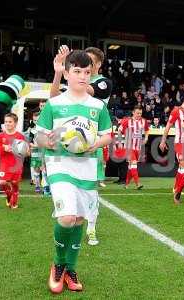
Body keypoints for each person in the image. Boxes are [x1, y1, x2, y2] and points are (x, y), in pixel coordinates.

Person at [36, 50, 112, 293]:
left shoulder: (98, 106)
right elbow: (39, 134)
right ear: (67, 73)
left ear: (92, 75)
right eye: (77, 71)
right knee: (66, 218)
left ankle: (70, 268)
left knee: (79, 218)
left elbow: (108, 135)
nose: (82, 76)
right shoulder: (54, 104)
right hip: (59, 163)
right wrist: (45, 142)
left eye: (86, 72)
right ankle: (58, 265)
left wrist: (94, 144)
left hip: (88, 165)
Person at [50, 45, 113, 246]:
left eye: (90, 64)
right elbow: (54, 98)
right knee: (72, 206)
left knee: (91, 192)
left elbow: (84, 88)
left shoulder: (103, 83)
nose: (85, 69)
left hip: (91, 144)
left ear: (99, 65)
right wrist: (60, 73)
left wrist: (71, 72)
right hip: (67, 146)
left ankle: (92, 228)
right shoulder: (71, 82)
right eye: (80, 65)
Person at [159, 90, 184, 199]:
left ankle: (177, 187)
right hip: (180, 143)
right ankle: (183, 189)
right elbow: (168, 126)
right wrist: (163, 141)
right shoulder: (176, 111)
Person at [0, 113, 28, 209]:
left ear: (15, 123)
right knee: (3, 182)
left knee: (14, 183)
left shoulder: (20, 136)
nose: (7, 123)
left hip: (16, 164)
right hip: (4, 163)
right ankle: (9, 195)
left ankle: (14, 199)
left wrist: (17, 150)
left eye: (10, 122)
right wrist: (3, 148)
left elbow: (25, 151)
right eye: (6, 122)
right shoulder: (0, 136)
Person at [120, 105, 149, 190]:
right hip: (129, 147)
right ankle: (138, 184)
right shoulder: (127, 121)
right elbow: (119, 130)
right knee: (133, 164)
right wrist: (119, 142)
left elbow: (147, 130)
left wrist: (146, 138)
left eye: (140, 113)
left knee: (131, 166)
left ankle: (126, 184)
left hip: (138, 147)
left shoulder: (144, 121)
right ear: (133, 112)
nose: (139, 115)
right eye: (137, 113)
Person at [28, 112, 43, 193]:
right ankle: (37, 186)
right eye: (35, 120)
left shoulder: (45, 130)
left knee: (44, 170)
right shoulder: (32, 131)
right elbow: (29, 141)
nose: (36, 121)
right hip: (35, 152)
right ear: (33, 121)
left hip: (44, 152)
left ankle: (46, 186)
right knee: (36, 170)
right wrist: (33, 146)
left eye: (38, 120)